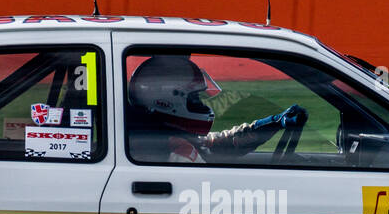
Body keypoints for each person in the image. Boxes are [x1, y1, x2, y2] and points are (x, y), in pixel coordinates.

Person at [126, 55, 308, 164]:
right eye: (194, 98)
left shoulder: (172, 137)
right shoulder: (176, 150)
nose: (201, 104)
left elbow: (219, 144)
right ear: (167, 101)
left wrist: (274, 123)